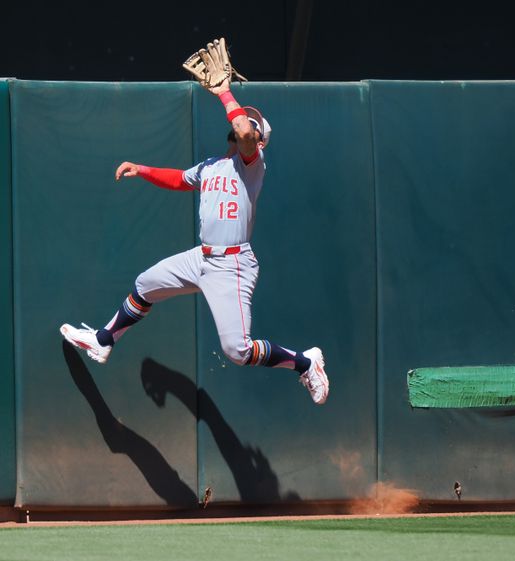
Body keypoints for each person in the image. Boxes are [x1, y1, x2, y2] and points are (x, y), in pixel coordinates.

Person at [59, 69, 329, 405]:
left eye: (253, 126)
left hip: (232, 265)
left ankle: (305, 362)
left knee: (237, 350)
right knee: (144, 285)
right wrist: (142, 169)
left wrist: (224, 93)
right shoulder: (213, 166)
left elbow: (243, 129)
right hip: (201, 257)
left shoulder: (252, 165)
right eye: (244, 122)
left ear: (260, 143)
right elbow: (178, 179)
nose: (244, 126)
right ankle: (103, 340)